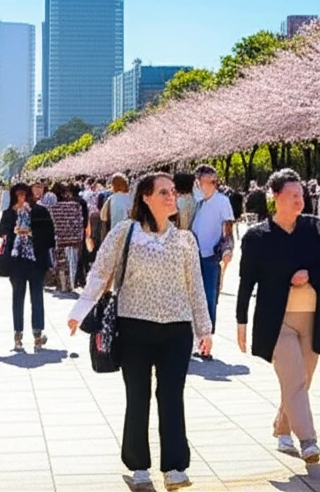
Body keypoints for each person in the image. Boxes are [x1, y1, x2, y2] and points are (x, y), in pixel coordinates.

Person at [68, 173, 211, 491]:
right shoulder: (125, 232)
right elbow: (99, 273)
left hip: (176, 330)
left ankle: (175, 467)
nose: (171, 197)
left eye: (173, 191)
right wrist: (78, 313)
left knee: (172, 396)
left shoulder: (186, 240)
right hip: (134, 328)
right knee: (138, 397)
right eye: (163, 192)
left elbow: (196, 288)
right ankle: (138, 466)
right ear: (145, 197)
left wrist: (204, 329)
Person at [237, 169, 320, 464]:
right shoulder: (257, 237)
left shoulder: (316, 229)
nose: (300, 201)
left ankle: (282, 428)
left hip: (313, 318)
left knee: (301, 380)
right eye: (293, 196)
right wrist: (241, 321)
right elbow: (246, 281)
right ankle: (309, 441)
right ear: (275, 197)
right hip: (276, 321)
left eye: (302, 195)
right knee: (294, 379)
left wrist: (311, 274)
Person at [0, 183, 56, 351]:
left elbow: (50, 236)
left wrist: (31, 233)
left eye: (24, 194)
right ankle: (18, 334)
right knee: (19, 297)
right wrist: (12, 228)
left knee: (35, 297)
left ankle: (37, 334)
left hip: (34, 261)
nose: (21, 198)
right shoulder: (10, 213)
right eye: (18, 195)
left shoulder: (39, 211)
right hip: (17, 262)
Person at [190, 164, 234, 357]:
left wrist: (227, 248)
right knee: (194, 298)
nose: (199, 185)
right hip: (194, 255)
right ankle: (195, 338)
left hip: (210, 256)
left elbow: (228, 228)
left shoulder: (222, 201)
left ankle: (206, 341)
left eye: (202, 182)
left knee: (208, 298)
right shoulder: (199, 202)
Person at [48, 183, 85, 293]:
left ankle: (63, 285)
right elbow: (80, 222)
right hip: (74, 238)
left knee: (61, 262)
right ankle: (71, 284)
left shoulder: (53, 208)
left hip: (60, 238)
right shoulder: (75, 205)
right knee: (72, 261)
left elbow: (53, 224)